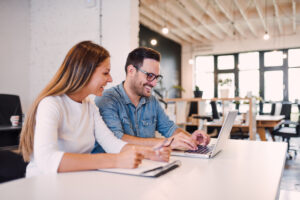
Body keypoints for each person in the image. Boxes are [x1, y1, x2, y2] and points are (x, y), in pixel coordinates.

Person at [19, 41, 170, 177]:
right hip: (43, 186)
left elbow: (112, 144)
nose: (110, 79)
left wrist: (151, 153)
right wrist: (116, 160)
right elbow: (47, 160)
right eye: (105, 73)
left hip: (73, 183)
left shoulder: (90, 107)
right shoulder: (51, 104)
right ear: (85, 71)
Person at [93, 47, 210, 153]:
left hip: (145, 163)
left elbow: (169, 128)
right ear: (131, 71)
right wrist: (167, 142)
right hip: (112, 169)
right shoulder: (108, 99)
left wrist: (190, 139)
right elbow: (116, 139)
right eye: (149, 76)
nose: (154, 83)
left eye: (156, 77)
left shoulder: (151, 101)